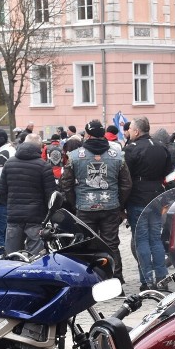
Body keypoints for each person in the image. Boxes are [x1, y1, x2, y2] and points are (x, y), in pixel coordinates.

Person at [61, 119, 132, 283]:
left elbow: (66, 184)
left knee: (87, 244)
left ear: (88, 134)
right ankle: (116, 279)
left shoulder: (74, 156)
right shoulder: (118, 156)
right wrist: (119, 203)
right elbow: (126, 184)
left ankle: (91, 281)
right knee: (111, 244)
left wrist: (74, 202)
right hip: (111, 206)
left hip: (85, 207)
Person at [124, 116, 173, 291]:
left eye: (130, 130)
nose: (129, 132)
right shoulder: (161, 147)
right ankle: (162, 278)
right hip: (157, 195)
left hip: (138, 197)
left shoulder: (132, 149)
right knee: (156, 239)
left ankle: (147, 281)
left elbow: (125, 176)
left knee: (141, 240)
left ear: (136, 131)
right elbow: (168, 169)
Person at [0, 134, 56, 254]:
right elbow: (50, 194)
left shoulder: (9, 163)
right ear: (40, 147)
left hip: (14, 215)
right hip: (35, 217)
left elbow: (2, 191)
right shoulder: (43, 165)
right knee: (36, 257)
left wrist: (11, 204)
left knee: (12, 255)